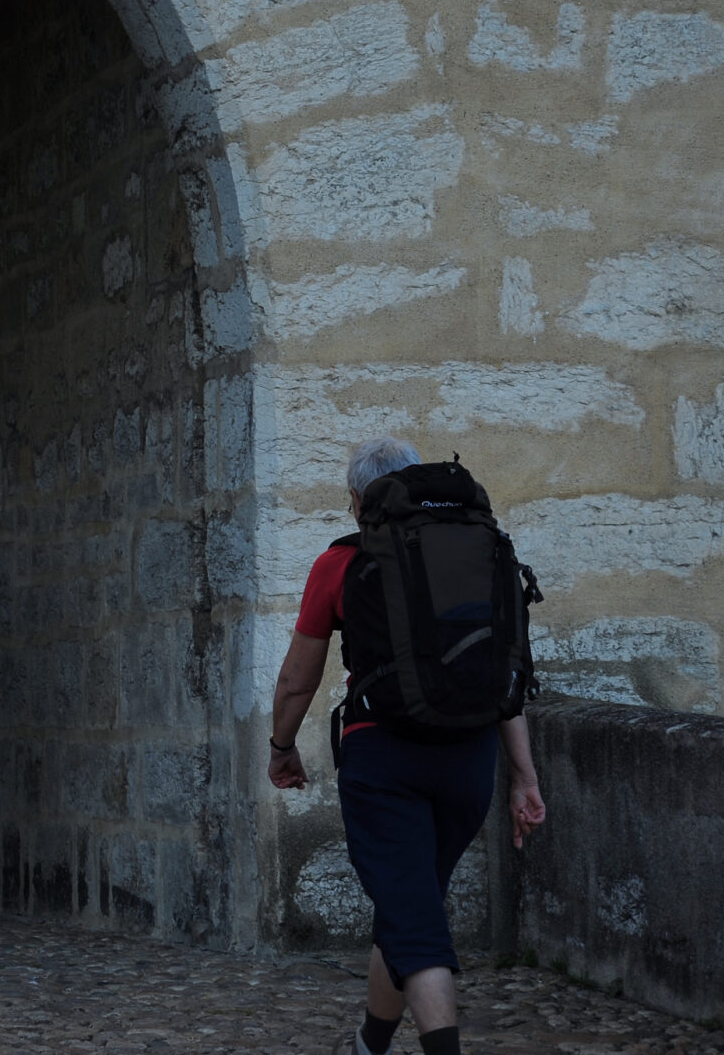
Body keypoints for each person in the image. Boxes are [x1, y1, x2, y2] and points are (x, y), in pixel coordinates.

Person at [268, 436, 549, 1055]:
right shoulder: (481, 553)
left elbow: (297, 679)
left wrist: (280, 746)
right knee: (407, 903)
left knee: (415, 915)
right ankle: (371, 1043)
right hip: (470, 762)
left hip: (385, 758)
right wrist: (524, 776)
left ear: (354, 499)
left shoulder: (341, 562)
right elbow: (505, 676)